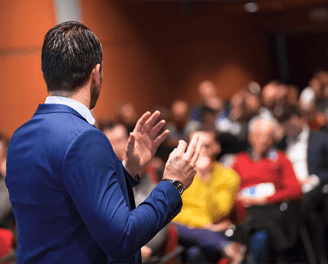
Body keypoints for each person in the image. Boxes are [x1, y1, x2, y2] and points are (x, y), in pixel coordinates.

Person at [5, 21, 202, 263]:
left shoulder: (19, 137)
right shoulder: (86, 138)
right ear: (96, 74)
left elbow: (65, 200)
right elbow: (123, 238)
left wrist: (127, 170)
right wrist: (173, 183)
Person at [232, 117, 303, 263]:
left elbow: (295, 191)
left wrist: (264, 199)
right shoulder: (240, 160)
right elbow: (229, 190)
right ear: (250, 137)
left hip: (270, 212)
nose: (264, 140)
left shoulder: (281, 159)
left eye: (269, 136)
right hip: (245, 211)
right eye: (259, 135)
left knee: (260, 236)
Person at [173, 129, 245, 264]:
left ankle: (223, 246)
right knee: (168, 225)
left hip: (213, 230)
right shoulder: (179, 174)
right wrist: (204, 225)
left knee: (194, 252)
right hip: (192, 229)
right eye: (196, 146)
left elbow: (218, 213)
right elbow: (173, 212)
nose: (201, 151)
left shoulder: (228, 176)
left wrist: (206, 177)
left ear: (216, 147)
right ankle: (226, 247)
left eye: (206, 146)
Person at [281, 106, 328, 263]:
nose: (288, 127)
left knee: (306, 206)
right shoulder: (282, 144)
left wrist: (313, 179)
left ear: (301, 119)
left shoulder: (320, 138)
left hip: (316, 186)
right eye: (285, 124)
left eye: (291, 122)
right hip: (291, 188)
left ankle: (318, 258)